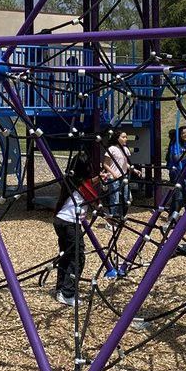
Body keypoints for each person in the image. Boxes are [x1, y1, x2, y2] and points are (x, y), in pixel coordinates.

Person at [53, 151, 105, 306]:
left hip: (60, 220)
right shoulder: (82, 185)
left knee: (66, 255)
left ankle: (61, 288)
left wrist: (99, 178)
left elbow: (87, 185)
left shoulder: (72, 179)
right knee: (78, 257)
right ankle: (67, 293)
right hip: (70, 223)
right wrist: (108, 216)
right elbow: (94, 202)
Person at [102, 129, 140, 220]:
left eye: (126, 137)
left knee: (126, 198)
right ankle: (112, 219)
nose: (125, 139)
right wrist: (113, 173)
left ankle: (121, 216)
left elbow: (125, 163)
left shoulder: (125, 149)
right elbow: (105, 164)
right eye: (123, 137)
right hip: (113, 178)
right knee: (115, 199)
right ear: (117, 138)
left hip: (123, 177)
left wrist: (134, 170)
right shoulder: (112, 149)